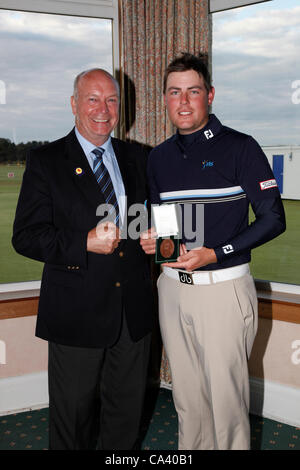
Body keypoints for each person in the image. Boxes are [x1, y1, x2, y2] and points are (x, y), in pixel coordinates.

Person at [140, 53, 286, 450]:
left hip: (222, 290)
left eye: (193, 91)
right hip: (171, 289)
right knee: (187, 400)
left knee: (226, 405)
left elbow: (274, 219)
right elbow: (165, 223)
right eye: (175, 92)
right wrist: (156, 240)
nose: (183, 102)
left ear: (210, 95)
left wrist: (215, 252)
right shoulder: (159, 158)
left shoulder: (241, 148)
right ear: (165, 99)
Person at [12, 68, 154, 450]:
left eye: (111, 100)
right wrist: (82, 242)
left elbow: (147, 219)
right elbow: (25, 236)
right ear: (74, 105)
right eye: (92, 99)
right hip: (76, 314)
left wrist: (157, 240)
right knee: (72, 421)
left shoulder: (138, 157)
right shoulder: (46, 160)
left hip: (132, 314)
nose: (103, 110)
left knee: (125, 418)